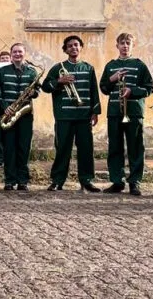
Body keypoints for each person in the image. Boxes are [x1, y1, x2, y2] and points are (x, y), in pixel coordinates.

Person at [41, 35, 101, 192]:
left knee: (86, 149)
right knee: (62, 148)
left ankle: (86, 180)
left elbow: (94, 91)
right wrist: (59, 82)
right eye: (70, 46)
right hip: (64, 117)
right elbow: (45, 86)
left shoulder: (88, 68)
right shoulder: (57, 67)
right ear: (65, 49)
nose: (73, 48)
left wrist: (95, 112)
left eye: (76, 45)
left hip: (84, 116)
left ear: (81, 47)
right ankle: (57, 180)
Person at [97, 33, 153, 196]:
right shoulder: (111, 65)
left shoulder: (139, 65)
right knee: (114, 147)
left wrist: (133, 91)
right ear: (117, 46)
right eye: (122, 43)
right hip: (115, 112)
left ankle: (134, 182)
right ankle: (117, 181)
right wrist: (113, 79)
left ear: (132, 45)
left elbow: (150, 88)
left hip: (134, 112)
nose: (125, 46)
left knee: (135, 147)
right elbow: (104, 88)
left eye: (128, 43)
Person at [0, 44, 40, 191]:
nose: (17, 54)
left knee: (24, 148)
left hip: (25, 114)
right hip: (9, 113)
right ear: (11, 54)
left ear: (24, 53)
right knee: (9, 149)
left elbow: (37, 90)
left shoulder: (32, 72)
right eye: (15, 52)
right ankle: (9, 181)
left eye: (20, 52)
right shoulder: (2, 71)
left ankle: (23, 181)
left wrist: (33, 92)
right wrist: (5, 106)